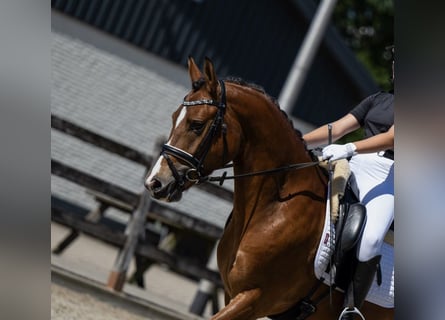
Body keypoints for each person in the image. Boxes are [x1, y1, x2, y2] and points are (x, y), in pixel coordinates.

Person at [303, 46, 394, 319]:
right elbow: (337, 129)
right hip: (355, 165)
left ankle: (351, 308)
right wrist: (298, 141)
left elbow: (393, 137)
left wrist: (349, 148)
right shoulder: (378, 99)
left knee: (371, 239)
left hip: (390, 175)